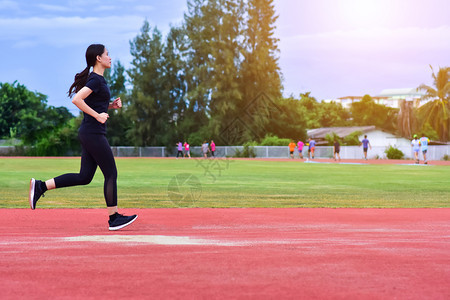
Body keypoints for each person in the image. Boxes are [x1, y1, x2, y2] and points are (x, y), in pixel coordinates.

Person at [28, 44, 137, 231]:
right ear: (98, 58)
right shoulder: (95, 80)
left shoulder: (98, 80)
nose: (110, 57)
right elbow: (77, 99)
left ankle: (40, 186)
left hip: (90, 133)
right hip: (93, 133)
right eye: (107, 54)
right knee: (111, 173)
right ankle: (114, 218)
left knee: (85, 176)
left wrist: (110, 106)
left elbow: (94, 102)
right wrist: (98, 115)